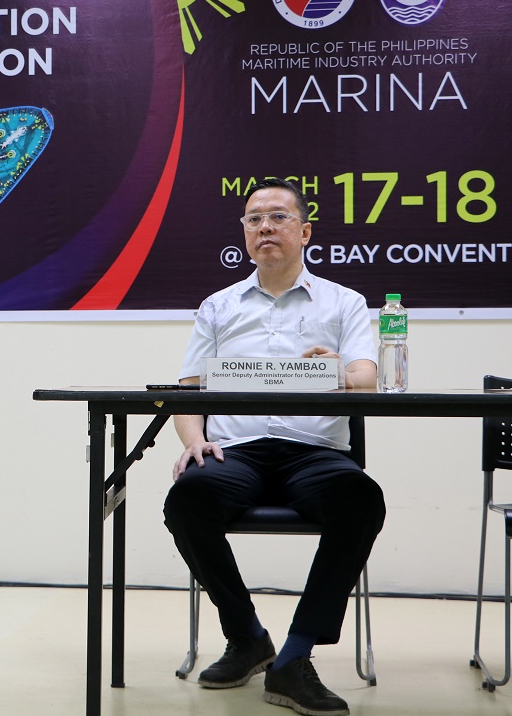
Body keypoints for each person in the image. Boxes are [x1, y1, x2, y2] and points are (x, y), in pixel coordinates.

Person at [163, 177, 386, 716]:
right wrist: (194, 441)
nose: (266, 226)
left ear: (305, 231)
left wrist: (337, 372)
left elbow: (368, 376)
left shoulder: (344, 302)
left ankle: (294, 655)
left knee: (361, 499)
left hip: (315, 453)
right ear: (244, 234)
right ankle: (246, 638)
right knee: (187, 499)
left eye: (279, 217)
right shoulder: (218, 306)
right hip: (235, 452)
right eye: (255, 218)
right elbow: (188, 391)